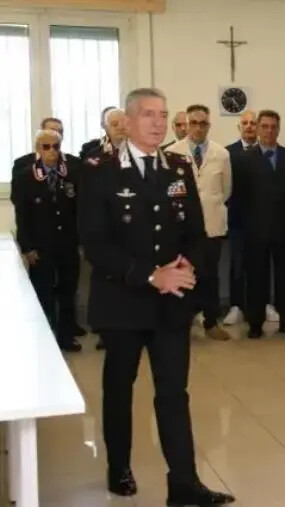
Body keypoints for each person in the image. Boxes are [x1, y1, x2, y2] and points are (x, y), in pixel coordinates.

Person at [78, 87, 234, 505]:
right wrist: (151, 275)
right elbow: (95, 244)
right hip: (123, 300)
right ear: (127, 122)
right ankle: (119, 467)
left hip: (170, 303)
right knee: (119, 387)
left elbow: (197, 235)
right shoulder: (99, 170)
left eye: (163, 114)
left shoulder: (179, 167)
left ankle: (184, 482)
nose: (158, 122)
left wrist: (188, 267)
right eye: (148, 114)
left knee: (173, 392)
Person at [235, 110, 285, 339]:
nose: (269, 131)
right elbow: (239, 197)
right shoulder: (244, 160)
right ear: (257, 128)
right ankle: (255, 323)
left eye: (273, 127)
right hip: (256, 230)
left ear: (279, 128)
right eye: (264, 126)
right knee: (256, 278)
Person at [12, 129, 83, 352]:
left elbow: (79, 209)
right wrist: (28, 247)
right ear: (38, 149)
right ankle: (44, 338)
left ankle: (65, 336)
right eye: (46, 147)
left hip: (67, 244)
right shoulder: (26, 176)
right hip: (41, 246)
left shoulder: (72, 173)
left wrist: (81, 240)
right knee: (43, 292)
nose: (52, 152)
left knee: (67, 290)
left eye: (56, 147)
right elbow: (22, 216)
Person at [165, 104, 232, 341]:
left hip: (212, 224)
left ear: (209, 125)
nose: (198, 128)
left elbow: (226, 190)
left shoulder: (221, 154)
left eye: (203, 123)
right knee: (184, 274)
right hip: (183, 227)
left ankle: (211, 322)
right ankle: (182, 322)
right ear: (186, 125)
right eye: (193, 123)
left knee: (210, 275)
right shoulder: (172, 153)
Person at [223, 110, 268, 326]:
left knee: (261, 265)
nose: (249, 127)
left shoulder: (267, 151)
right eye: (245, 123)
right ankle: (236, 306)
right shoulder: (227, 153)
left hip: (262, 220)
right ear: (239, 127)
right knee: (238, 264)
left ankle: (264, 304)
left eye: (253, 123)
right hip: (238, 219)